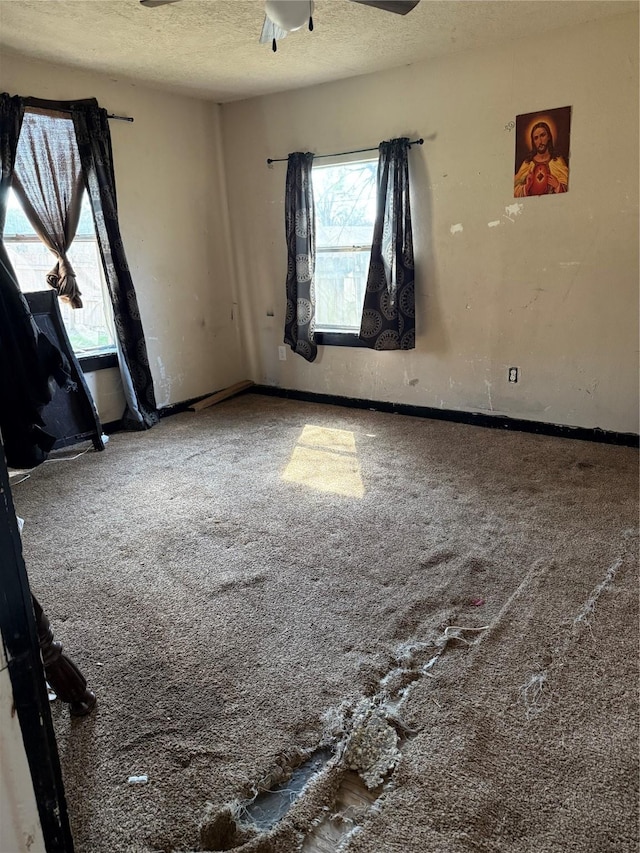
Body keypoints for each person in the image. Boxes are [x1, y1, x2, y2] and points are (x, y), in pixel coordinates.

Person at [514, 121, 568, 197]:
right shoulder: (528, 163)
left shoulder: (557, 161)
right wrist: (526, 187)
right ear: (533, 142)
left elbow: (570, 189)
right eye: (536, 138)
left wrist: (558, 186)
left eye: (542, 135)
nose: (540, 141)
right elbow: (514, 190)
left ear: (549, 136)